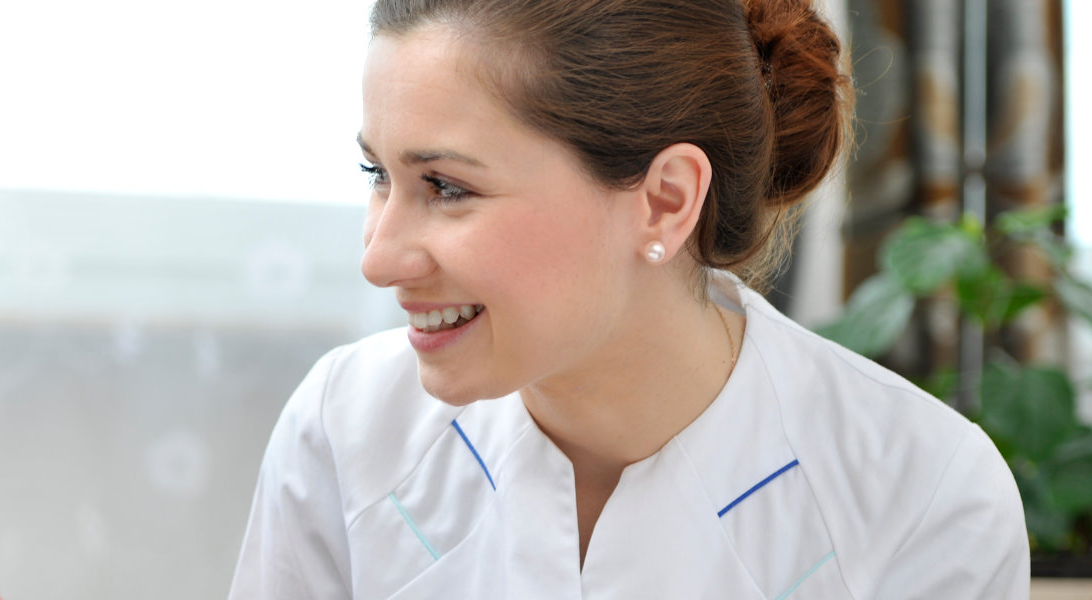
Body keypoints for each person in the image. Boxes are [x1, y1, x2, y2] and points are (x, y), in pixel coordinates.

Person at [229, 0, 1029, 597]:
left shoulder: (923, 494)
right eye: (380, 176)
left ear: (664, 201)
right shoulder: (347, 425)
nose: (379, 257)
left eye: (446, 186)